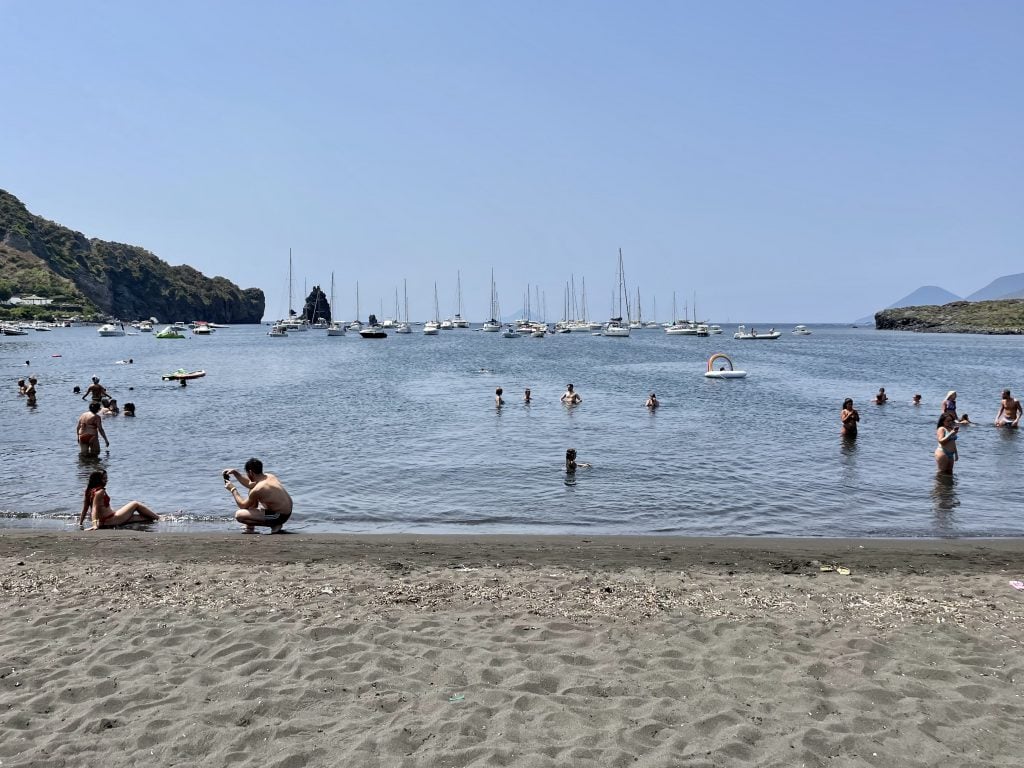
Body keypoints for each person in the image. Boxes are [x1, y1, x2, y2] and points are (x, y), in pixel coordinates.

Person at [223, 458, 293, 533]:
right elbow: (250, 484)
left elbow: (243, 505)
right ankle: (250, 526)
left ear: (250, 472)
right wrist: (236, 473)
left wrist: (233, 489)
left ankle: (275, 525)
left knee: (239, 515)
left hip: (279, 516)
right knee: (252, 491)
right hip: (285, 511)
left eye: (247, 473)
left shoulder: (259, 489)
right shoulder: (269, 476)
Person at [78, 469, 160, 530]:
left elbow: (85, 509)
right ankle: (159, 518)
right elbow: (94, 509)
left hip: (105, 521)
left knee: (142, 518)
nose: (106, 480)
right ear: (97, 480)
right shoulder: (100, 492)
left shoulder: (89, 491)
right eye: (104, 479)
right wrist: (94, 525)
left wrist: (80, 523)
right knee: (135, 504)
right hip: (111, 519)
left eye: (106, 478)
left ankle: (156, 518)